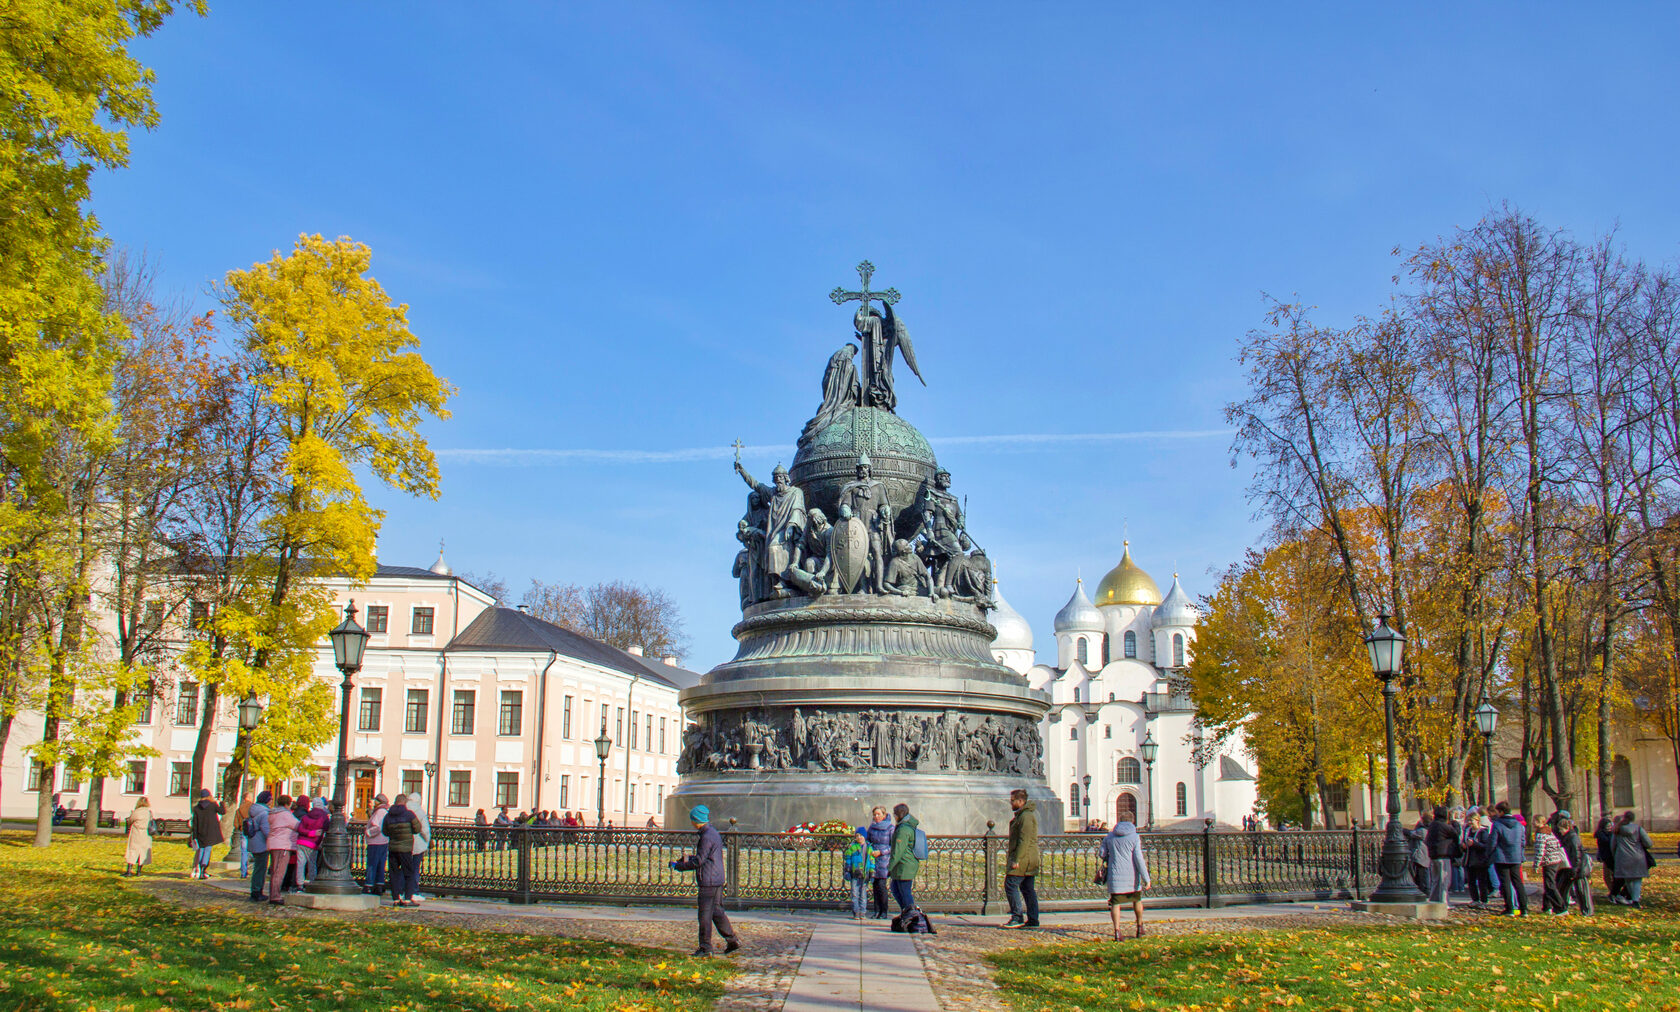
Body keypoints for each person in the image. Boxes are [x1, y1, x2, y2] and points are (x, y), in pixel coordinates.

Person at [669, 805, 739, 957]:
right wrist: (690, 858)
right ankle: (732, 940)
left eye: (692, 819)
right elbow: (706, 857)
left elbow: (699, 861)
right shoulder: (712, 833)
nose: (691, 822)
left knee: (705, 915)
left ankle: (706, 948)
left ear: (696, 820)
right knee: (717, 912)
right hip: (716, 878)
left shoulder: (706, 836)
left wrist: (679, 866)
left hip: (708, 880)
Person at [1100, 816, 1150, 940]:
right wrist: (1146, 878)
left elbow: (1102, 854)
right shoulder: (1134, 837)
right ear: (1132, 822)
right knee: (1137, 901)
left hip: (1115, 874)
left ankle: (1117, 931)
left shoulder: (1109, 837)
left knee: (1115, 903)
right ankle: (1139, 927)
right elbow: (1138, 858)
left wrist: (1110, 856)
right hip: (1132, 876)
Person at [1003, 788, 1041, 929]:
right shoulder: (1023, 815)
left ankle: (1017, 916)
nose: (1010, 803)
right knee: (1027, 889)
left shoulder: (1025, 816)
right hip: (1028, 858)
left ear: (1020, 801)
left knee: (1011, 885)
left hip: (1025, 859)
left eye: (1012, 801)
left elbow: (1024, 840)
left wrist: (1017, 859)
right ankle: (1032, 920)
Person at [383, 794, 424, 907]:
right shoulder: (409, 814)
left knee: (394, 873)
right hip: (406, 848)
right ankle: (407, 898)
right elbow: (417, 829)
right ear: (405, 803)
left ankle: (396, 898)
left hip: (393, 847)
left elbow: (385, 831)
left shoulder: (388, 816)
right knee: (408, 873)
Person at [1488, 801, 1527, 916]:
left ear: (1501, 812)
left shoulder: (1498, 824)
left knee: (1505, 883)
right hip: (1515, 856)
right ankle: (1523, 908)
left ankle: (1509, 908)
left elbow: (1493, 841)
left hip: (1501, 857)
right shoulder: (1518, 825)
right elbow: (1523, 841)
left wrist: (1489, 854)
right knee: (1518, 882)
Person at [1611, 811, 1656, 908]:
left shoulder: (1617, 830)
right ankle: (1635, 900)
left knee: (1628, 879)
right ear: (1633, 818)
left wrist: (1615, 856)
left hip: (1622, 857)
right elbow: (1649, 843)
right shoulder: (1638, 829)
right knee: (1637, 879)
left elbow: (1613, 845)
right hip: (1637, 857)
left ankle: (1633, 899)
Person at [264, 794, 298, 906]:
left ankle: (273, 894)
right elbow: (297, 825)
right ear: (288, 804)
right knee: (279, 871)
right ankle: (275, 896)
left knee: (275, 870)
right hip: (282, 844)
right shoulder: (284, 815)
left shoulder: (273, 813)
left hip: (273, 843)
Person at [1534, 814, 1571, 914]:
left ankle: (1561, 907)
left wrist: (1536, 864)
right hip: (1555, 860)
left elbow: (1540, 850)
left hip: (1549, 861)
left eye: (1535, 821)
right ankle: (1547, 907)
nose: (1534, 823)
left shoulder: (1541, 834)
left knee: (1550, 885)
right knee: (1549, 883)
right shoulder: (1549, 831)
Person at [887, 802, 920, 915]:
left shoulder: (903, 829)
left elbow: (898, 851)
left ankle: (912, 914)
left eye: (894, 814)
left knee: (904, 891)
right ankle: (906, 912)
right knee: (895, 888)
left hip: (904, 865)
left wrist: (889, 867)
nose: (894, 816)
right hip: (902, 865)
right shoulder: (904, 826)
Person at [1424, 805, 1460, 903]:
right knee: (1444, 881)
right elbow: (1456, 833)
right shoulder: (1443, 826)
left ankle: (1434, 899)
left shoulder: (1433, 825)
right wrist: (1455, 822)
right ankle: (1444, 901)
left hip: (1434, 855)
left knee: (1436, 881)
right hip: (1443, 855)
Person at [188, 789, 226, 880]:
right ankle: (203, 869)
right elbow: (222, 811)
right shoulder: (212, 805)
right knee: (207, 850)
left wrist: (195, 835)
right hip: (211, 832)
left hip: (201, 832)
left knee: (201, 850)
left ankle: (199, 869)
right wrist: (221, 803)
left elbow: (195, 823)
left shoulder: (197, 808)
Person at [866, 805, 894, 919]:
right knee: (875, 885)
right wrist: (870, 849)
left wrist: (881, 852)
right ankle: (876, 910)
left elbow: (893, 846)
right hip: (873, 859)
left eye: (879, 814)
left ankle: (884, 911)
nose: (876, 816)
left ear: (884, 815)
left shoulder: (890, 828)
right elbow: (867, 840)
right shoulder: (872, 828)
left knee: (882, 886)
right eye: (875, 814)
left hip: (884, 860)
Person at [1462, 812, 1493, 908]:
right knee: (1471, 881)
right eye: (1469, 820)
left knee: (1481, 882)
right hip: (1469, 859)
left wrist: (1474, 844)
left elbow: (1485, 846)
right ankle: (1475, 899)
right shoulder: (1467, 831)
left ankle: (1484, 900)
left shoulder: (1483, 832)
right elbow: (1464, 842)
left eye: (1472, 820)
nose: (1470, 822)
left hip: (1480, 860)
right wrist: (1464, 846)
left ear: (1477, 821)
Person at [245, 791, 272, 902]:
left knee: (258, 867)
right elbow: (266, 830)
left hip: (253, 841)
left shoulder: (253, 810)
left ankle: (255, 890)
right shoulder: (264, 813)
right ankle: (257, 891)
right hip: (261, 843)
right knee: (260, 869)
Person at [296, 796, 328, 883]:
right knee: (312, 864)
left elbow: (300, 829)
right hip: (313, 843)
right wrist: (315, 834)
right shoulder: (324, 817)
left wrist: (310, 833)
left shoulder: (307, 815)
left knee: (300, 864)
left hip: (301, 842)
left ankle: (299, 884)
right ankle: (312, 882)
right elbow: (326, 828)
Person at [363, 793, 390, 896]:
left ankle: (369, 885)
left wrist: (368, 832)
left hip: (375, 842)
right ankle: (379, 884)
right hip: (383, 840)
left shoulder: (379, 812)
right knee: (380, 864)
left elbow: (377, 827)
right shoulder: (385, 811)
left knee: (372, 864)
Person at [409, 794, 432, 904]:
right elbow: (424, 829)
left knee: (403, 869)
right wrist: (427, 841)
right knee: (414, 869)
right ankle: (413, 891)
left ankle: (402, 891)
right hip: (417, 844)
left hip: (403, 843)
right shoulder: (419, 811)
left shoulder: (403, 809)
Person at [842, 827, 870, 920]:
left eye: (861, 835)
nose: (859, 837)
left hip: (864, 873)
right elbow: (848, 859)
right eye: (857, 836)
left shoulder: (868, 847)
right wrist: (847, 870)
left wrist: (872, 872)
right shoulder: (852, 847)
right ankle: (856, 911)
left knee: (863, 894)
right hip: (855, 873)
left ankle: (863, 911)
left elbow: (871, 861)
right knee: (854, 893)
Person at [123, 797, 154, 877]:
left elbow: (130, 820)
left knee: (133, 851)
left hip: (136, 833)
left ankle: (129, 870)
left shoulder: (137, 812)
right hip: (146, 834)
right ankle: (139, 871)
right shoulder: (149, 812)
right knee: (143, 852)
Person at [1594, 814, 1618, 901]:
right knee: (1608, 876)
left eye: (1610, 826)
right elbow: (1605, 843)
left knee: (1612, 875)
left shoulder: (1611, 834)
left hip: (1612, 857)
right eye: (1608, 826)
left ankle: (1614, 892)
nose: (1610, 828)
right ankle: (1613, 891)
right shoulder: (1601, 834)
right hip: (1607, 857)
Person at [233, 791, 254, 878]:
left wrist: (240, 827)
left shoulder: (239, 809)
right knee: (255, 851)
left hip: (243, 831)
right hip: (253, 831)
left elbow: (236, 823)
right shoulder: (253, 807)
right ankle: (254, 870)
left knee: (244, 852)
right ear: (248, 798)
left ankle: (243, 872)